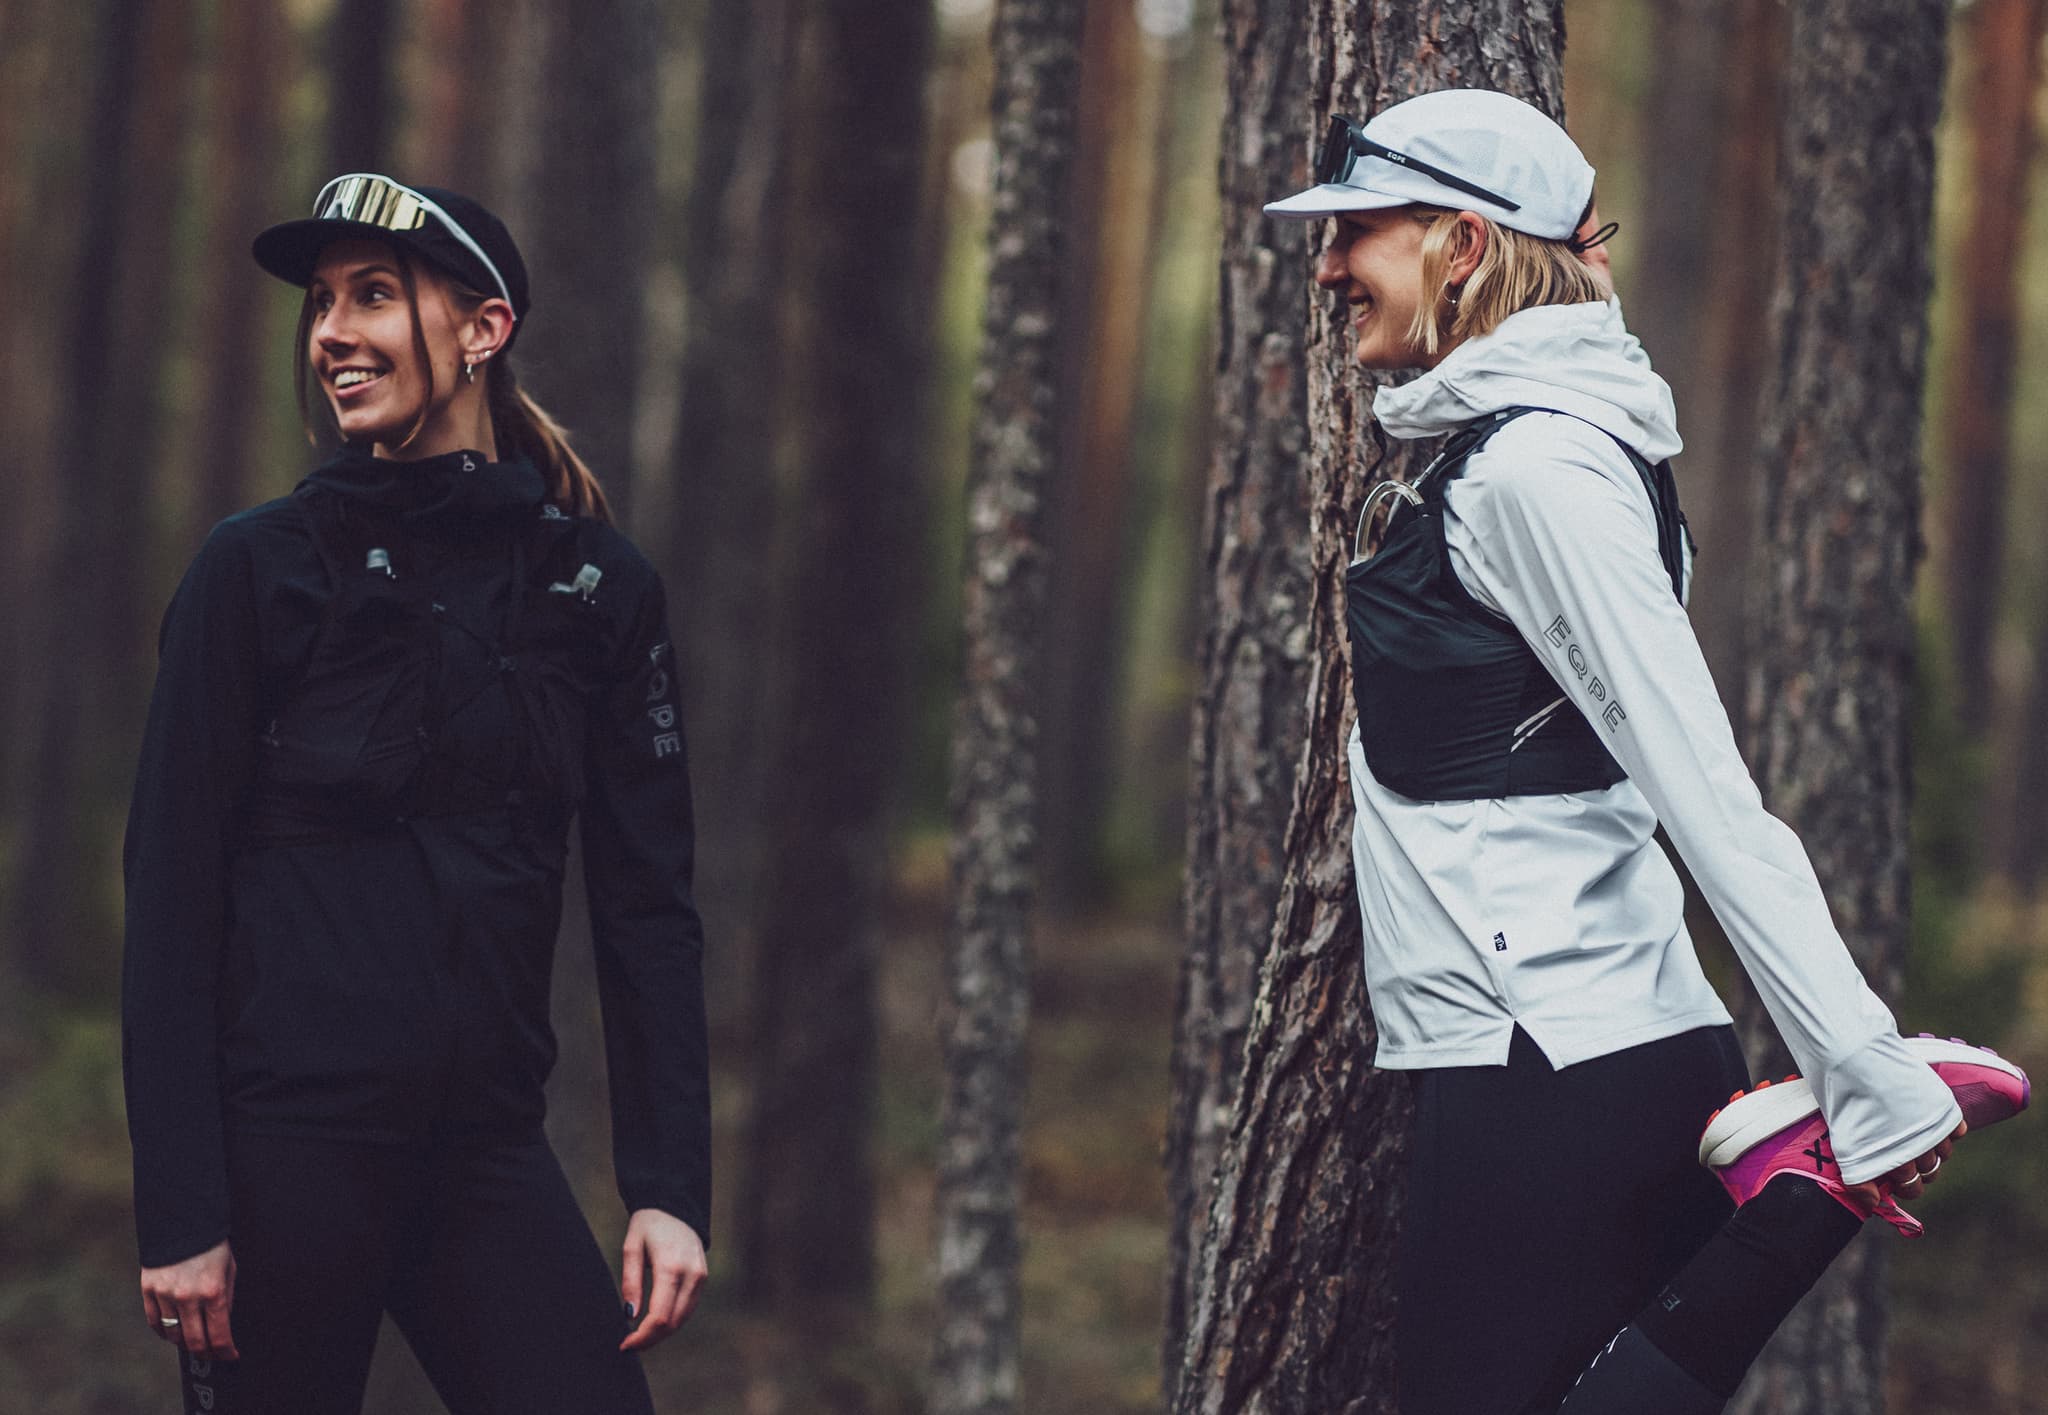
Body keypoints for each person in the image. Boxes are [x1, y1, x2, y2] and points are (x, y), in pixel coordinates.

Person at [1262, 89, 2030, 1414]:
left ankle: (1817, 1184)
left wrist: (1860, 1061)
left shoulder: (1536, 473)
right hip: (1548, 1043)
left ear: (1459, 244)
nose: (1327, 265)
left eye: (1362, 231)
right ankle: (1796, 1190)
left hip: (1550, 1053)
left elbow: (1697, 781)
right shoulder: (1496, 452)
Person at [122, 174, 711, 1415]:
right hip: (283, 1158)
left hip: (483, 1154)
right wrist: (182, 1210)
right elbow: (171, 899)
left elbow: (647, 903)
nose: (330, 331)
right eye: (323, 303)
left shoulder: (597, 589)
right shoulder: (254, 571)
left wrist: (666, 1183)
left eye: (374, 296)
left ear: (481, 330)